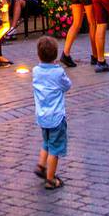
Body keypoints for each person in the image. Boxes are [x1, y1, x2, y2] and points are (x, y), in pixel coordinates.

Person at [32, 35, 71, 191]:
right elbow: (67, 85)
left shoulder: (35, 71)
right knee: (55, 148)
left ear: (38, 55)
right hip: (56, 116)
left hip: (42, 116)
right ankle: (50, 179)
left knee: (46, 142)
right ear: (55, 56)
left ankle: (41, 165)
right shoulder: (58, 72)